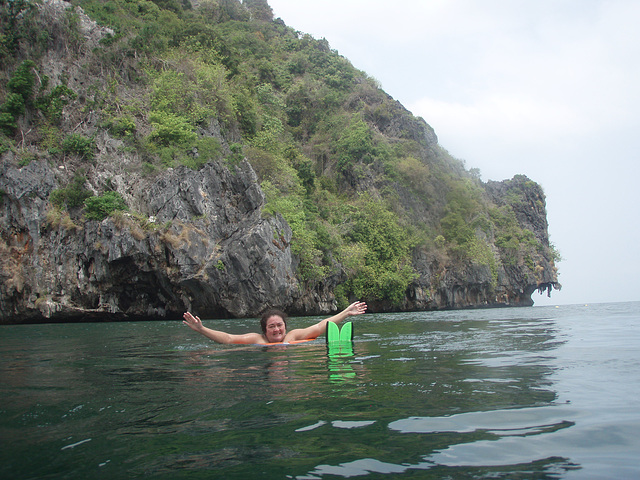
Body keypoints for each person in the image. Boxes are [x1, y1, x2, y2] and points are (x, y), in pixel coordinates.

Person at [182, 301, 367, 344]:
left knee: (312, 342)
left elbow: (320, 326)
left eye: (279, 325)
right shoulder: (258, 340)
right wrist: (201, 329)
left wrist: (346, 313)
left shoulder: (292, 336)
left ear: (285, 326)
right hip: (267, 358)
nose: (277, 329)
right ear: (265, 330)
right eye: (272, 326)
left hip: (298, 349)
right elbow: (229, 339)